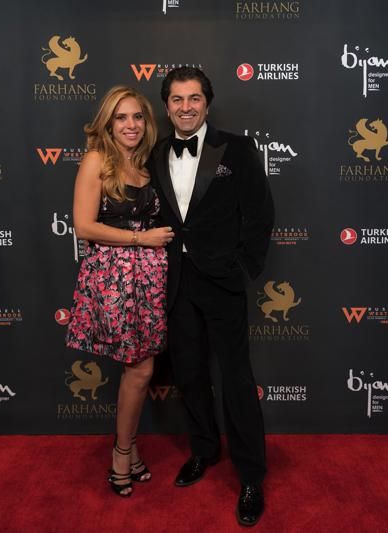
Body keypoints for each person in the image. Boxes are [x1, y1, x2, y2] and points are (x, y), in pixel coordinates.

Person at [147, 67, 274, 526]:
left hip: (222, 281)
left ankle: (251, 476)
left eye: (194, 98)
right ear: (167, 107)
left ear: (207, 102)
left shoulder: (236, 148)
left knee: (237, 379)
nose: (186, 107)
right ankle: (203, 450)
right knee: (190, 373)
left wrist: (241, 268)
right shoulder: (155, 153)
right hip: (175, 283)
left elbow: (260, 213)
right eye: (177, 100)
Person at [65, 86, 175, 497]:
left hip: (150, 279)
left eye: (138, 117)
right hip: (113, 278)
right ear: (108, 124)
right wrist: (140, 240)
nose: (131, 125)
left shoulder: (148, 163)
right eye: (121, 117)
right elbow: (84, 226)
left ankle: (129, 450)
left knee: (139, 368)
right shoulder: (97, 159)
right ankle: (122, 452)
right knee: (140, 369)